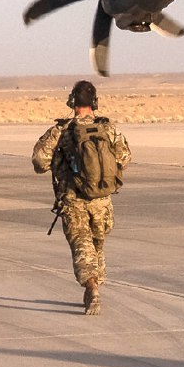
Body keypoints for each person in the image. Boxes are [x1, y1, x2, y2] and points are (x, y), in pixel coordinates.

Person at [32, 80, 131, 314]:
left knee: (81, 244)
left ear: (72, 102)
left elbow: (39, 162)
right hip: (102, 202)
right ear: (94, 103)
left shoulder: (62, 130)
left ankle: (92, 287)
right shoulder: (108, 128)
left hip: (74, 201)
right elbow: (124, 157)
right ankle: (97, 283)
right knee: (97, 244)